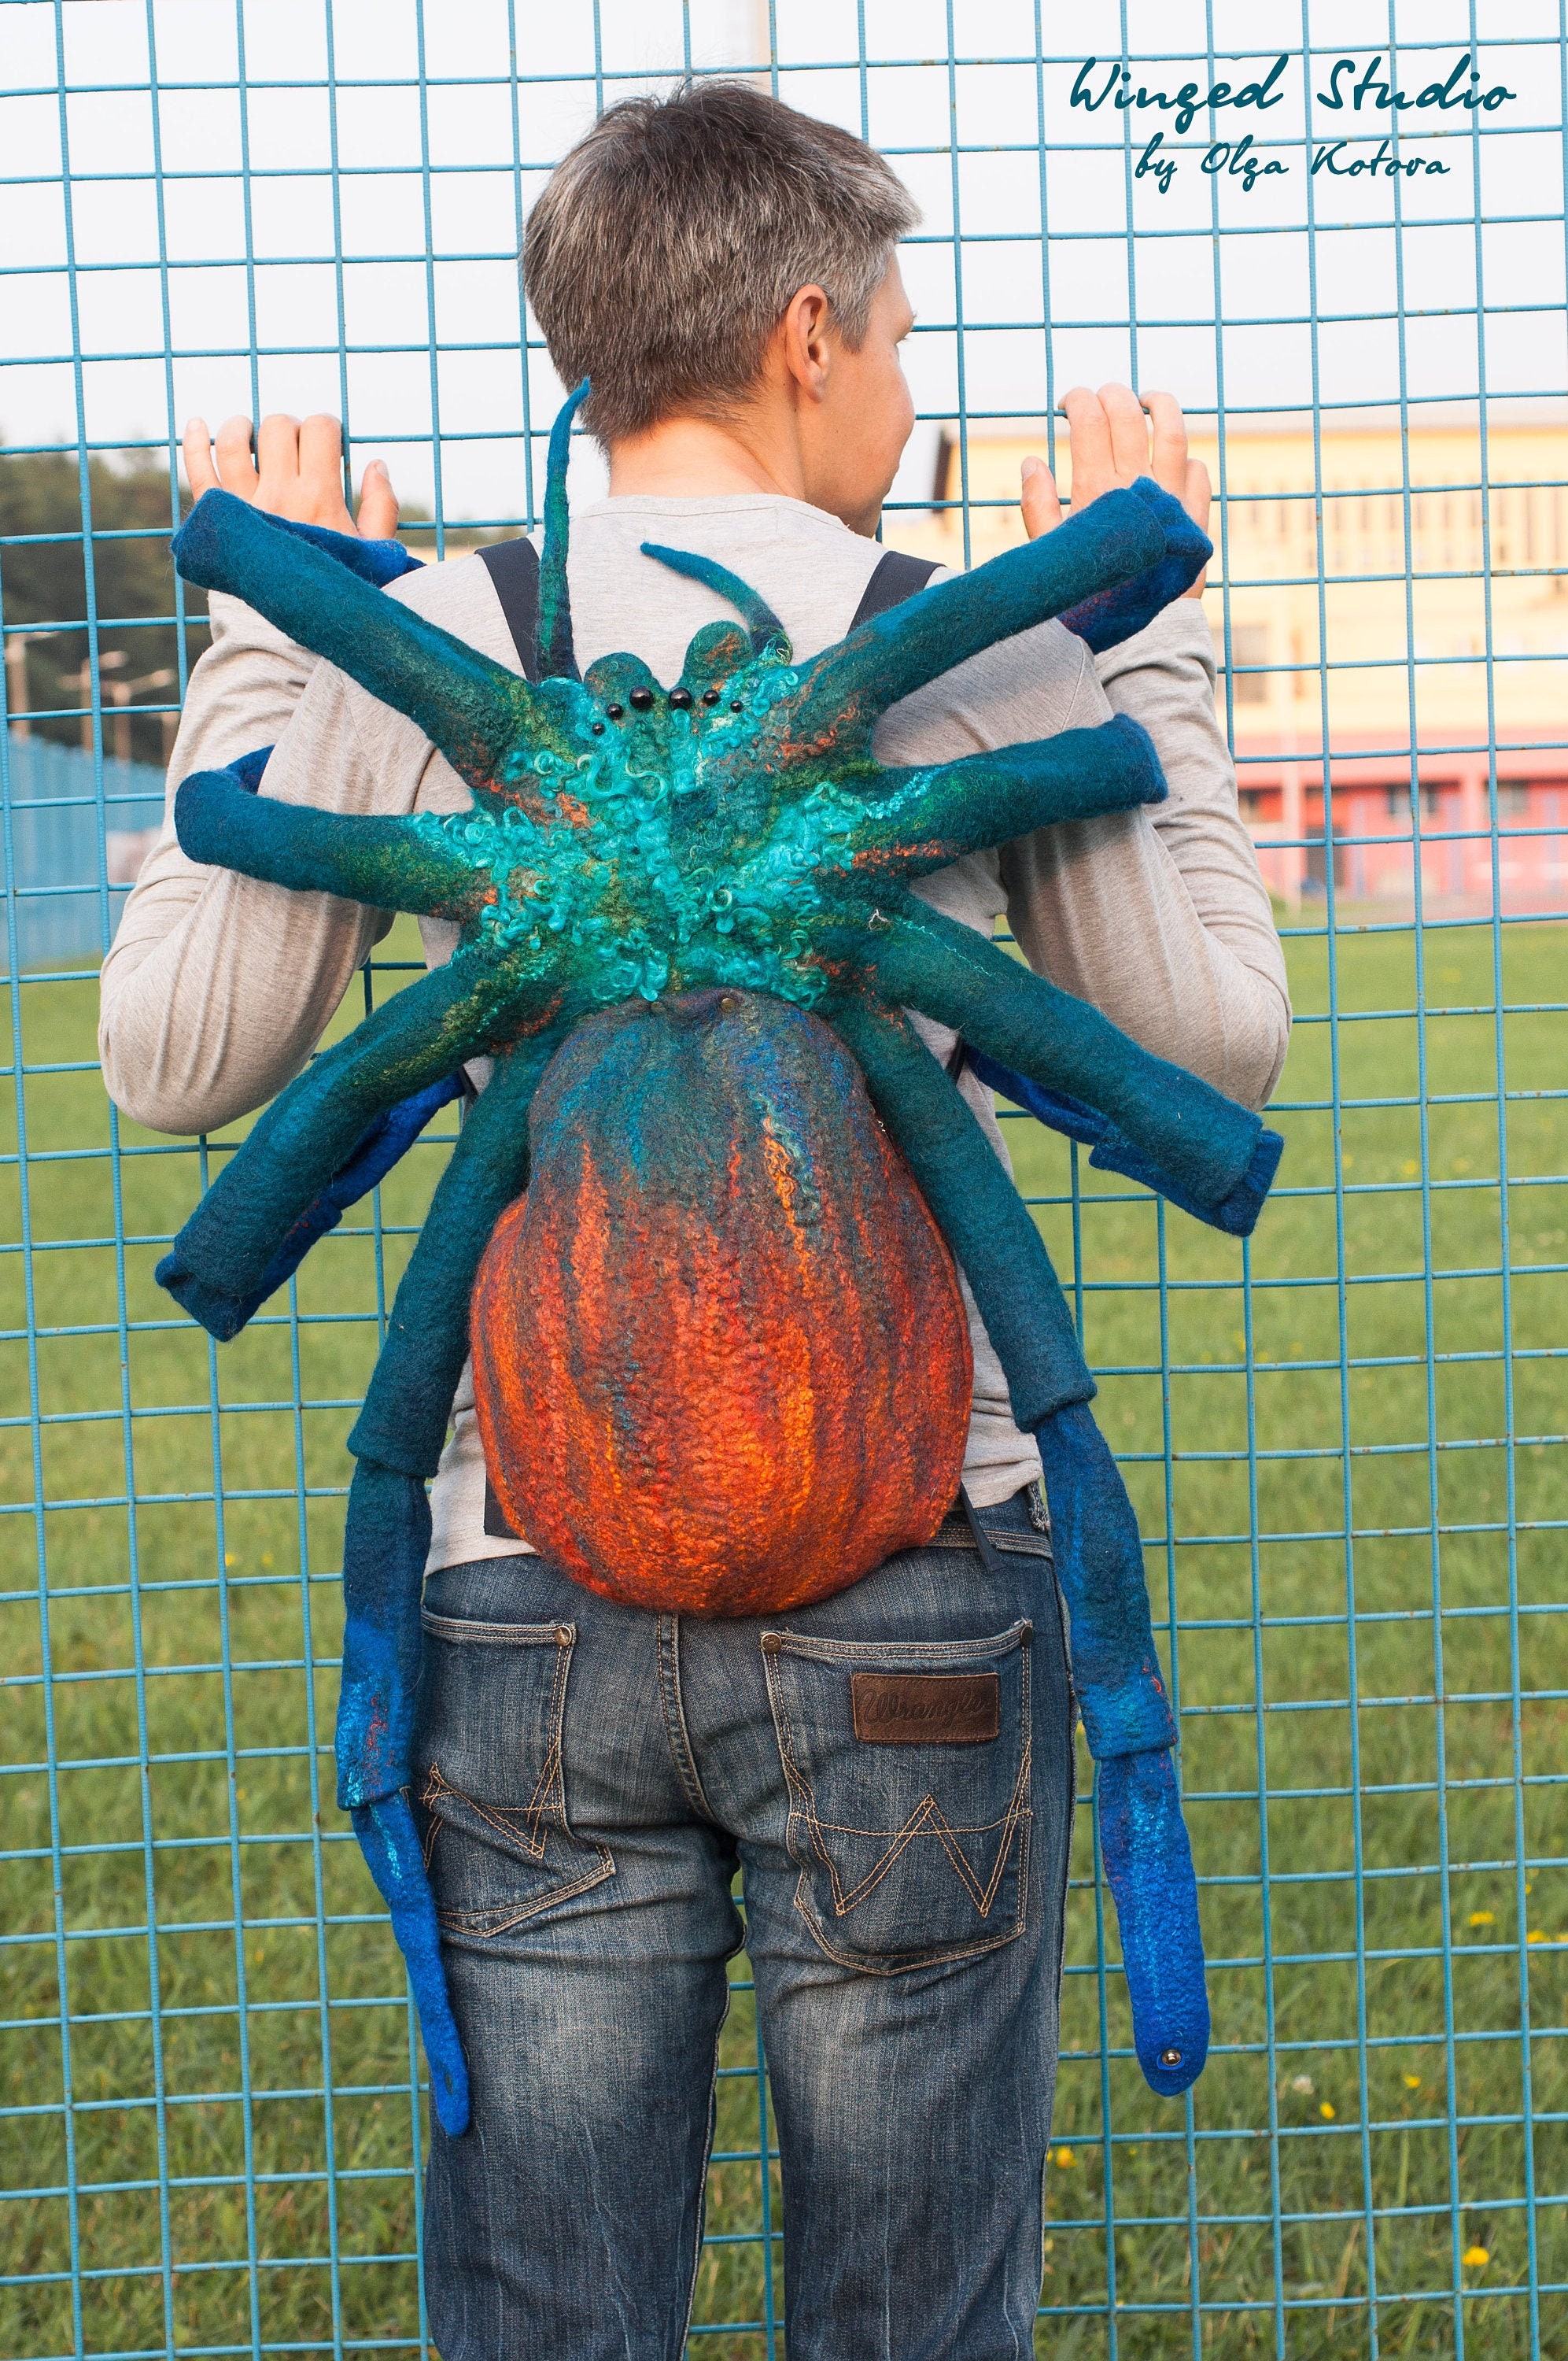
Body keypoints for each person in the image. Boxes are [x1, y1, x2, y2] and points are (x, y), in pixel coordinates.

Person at [101, 79, 1288, 2361]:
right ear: (810, 332)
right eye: (912, 344)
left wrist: (264, 634)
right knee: (913, 2314)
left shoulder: (426, 636)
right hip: (923, 1587)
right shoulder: (977, 640)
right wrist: (1140, 637)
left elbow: (178, 1068)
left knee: (545, 2305)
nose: (919, 398)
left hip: (514, 1586)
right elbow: (1203, 1055)